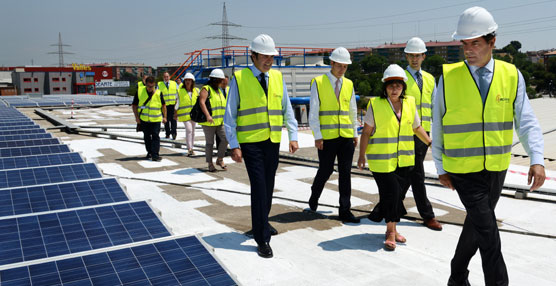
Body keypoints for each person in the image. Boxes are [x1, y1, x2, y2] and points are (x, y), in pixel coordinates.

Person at [432, 7, 545, 285]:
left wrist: (537, 158)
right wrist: (440, 167)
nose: (468, 50)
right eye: (464, 44)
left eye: (476, 43)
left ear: (492, 42)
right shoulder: (448, 77)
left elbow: (526, 120)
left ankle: (457, 276)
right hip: (463, 171)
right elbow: (438, 125)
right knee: (489, 235)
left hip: (496, 168)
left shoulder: (511, 75)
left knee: (477, 226)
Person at [224, 34, 299, 258]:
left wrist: (293, 135)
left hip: (272, 140)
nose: (268, 60)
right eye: (264, 56)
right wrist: (234, 144)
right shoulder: (239, 78)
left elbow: (287, 108)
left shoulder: (277, 77)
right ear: (253, 56)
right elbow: (230, 115)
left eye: (271, 57)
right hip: (250, 143)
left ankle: (262, 223)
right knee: (258, 187)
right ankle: (262, 239)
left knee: (268, 185)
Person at [357, 64, 432, 251]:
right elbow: (366, 132)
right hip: (381, 161)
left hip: (405, 160)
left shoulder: (410, 103)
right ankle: (390, 233)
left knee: (396, 196)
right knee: (391, 193)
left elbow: (416, 127)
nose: (394, 89)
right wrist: (361, 155)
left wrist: (430, 142)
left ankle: (391, 227)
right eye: (391, 85)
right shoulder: (376, 105)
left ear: (403, 87)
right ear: (385, 87)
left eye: (398, 85)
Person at [308, 47, 360, 223]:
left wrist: (354, 132)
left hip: (346, 136)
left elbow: (352, 110)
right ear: (332, 63)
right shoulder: (318, 82)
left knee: (345, 173)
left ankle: (345, 210)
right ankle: (314, 195)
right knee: (326, 169)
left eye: (345, 66)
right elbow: (314, 110)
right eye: (339, 65)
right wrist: (317, 135)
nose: (342, 69)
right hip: (327, 137)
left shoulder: (349, 84)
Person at [402, 37, 442, 231]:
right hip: (404, 132)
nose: (414, 59)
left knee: (409, 172)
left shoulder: (429, 79)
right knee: (415, 173)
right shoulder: (400, 77)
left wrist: (433, 135)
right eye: (411, 55)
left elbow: (434, 108)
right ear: (406, 56)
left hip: (422, 133)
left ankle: (391, 205)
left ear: (423, 56)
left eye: (418, 55)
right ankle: (427, 215)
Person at [199, 69, 228, 172]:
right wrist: (207, 115)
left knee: (225, 139)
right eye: (221, 80)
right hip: (209, 122)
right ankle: (210, 164)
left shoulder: (219, 90)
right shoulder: (206, 89)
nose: (222, 82)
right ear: (215, 80)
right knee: (210, 143)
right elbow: (202, 102)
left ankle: (219, 159)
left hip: (219, 121)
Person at [132, 76, 167, 161]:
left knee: (155, 136)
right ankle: (150, 152)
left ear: (154, 84)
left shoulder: (158, 93)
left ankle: (155, 155)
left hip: (156, 119)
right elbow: (134, 105)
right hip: (144, 119)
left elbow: (163, 106)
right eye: (148, 86)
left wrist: (165, 117)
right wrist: (137, 117)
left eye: (152, 86)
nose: (150, 88)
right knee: (147, 137)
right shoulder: (140, 91)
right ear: (145, 84)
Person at [174, 72, 199, 156]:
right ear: (184, 81)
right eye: (186, 80)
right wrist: (175, 112)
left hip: (194, 115)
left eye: (190, 80)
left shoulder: (196, 91)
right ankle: (189, 148)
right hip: (184, 115)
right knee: (189, 130)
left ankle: (192, 147)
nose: (188, 82)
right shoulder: (180, 91)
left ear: (192, 82)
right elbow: (177, 103)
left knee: (193, 131)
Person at [158, 72, 179, 139]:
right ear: (163, 77)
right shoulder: (159, 84)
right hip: (164, 105)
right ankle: (167, 133)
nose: (166, 78)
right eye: (165, 77)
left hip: (173, 105)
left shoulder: (174, 83)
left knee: (173, 120)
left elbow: (178, 93)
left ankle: (174, 133)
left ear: (169, 77)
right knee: (166, 120)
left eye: (167, 76)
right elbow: (157, 94)